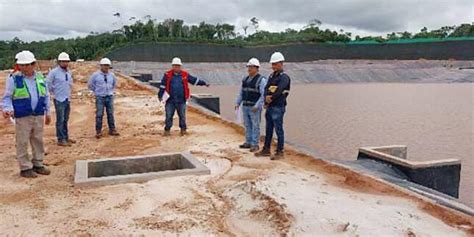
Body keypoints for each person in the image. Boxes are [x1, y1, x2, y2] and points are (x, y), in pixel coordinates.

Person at [1, 50, 52, 178]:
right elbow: (7, 97)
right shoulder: (14, 79)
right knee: (22, 141)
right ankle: (25, 167)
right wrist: (7, 108)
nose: (24, 67)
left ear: (33, 64)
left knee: (38, 140)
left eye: (27, 65)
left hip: (38, 113)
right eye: (22, 65)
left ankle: (38, 164)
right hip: (22, 115)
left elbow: (45, 95)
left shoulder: (40, 77)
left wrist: (48, 112)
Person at [158, 57, 209, 136]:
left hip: (182, 100)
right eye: (175, 66)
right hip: (170, 100)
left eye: (178, 66)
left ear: (180, 66)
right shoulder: (167, 75)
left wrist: (204, 83)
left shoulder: (185, 75)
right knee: (168, 116)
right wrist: (160, 96)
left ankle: (183, 130)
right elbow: (162, 86)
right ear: (172, 66)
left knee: (182, 116)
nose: (176, 67)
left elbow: (194, 80)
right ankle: (167, 130)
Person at [255, 52, 291, 160]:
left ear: (281, 63)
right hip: (270, 107)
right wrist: (266, 98)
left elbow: (280, 89)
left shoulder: (284, 77)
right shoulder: (271, 76)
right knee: (268, 129)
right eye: (272, 64)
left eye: (275, 64)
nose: (273, 66)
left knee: (278, 129)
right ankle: (266, 149)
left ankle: (280, 151)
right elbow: (266, 88)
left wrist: (271, 98)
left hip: (278, 106)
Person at [235, 58, 267, 152]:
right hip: (245, 106)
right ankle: (248, 142)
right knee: (247, 125)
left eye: (251, 67)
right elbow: (241, 92)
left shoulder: (261, 80)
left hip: (254, 108)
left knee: (255, 125)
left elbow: (263, 95)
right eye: (248, 67)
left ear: (257, 68)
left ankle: (255, 144)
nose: (249, 69)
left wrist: (257, 106)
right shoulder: (245, 79)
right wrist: (237, 102)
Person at [87, 58, 119, 139]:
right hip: (100, 97)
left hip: (109, 96)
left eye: (107, 66)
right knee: (99, 114)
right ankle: (98, 131)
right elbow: (90, 85)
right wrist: (97, 91)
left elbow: (114, 84)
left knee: (110, 114)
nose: (106, 67)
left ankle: (112, 129)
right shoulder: (95, 75)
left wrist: (110, 91)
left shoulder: (112, 75)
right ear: (101, 66)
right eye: (104, 65)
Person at [47, 52, 74, 146]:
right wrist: (54, 93)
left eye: (66, 61)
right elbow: (48, 84)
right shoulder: (54, 72)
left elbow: (70, 84)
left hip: (67, 98)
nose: (65, 63)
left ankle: (66, 137)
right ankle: (60, 139)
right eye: (63, 61)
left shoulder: (69, 72)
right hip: (59, 99)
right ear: (59, 62)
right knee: (60, 120)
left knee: (65, 119)